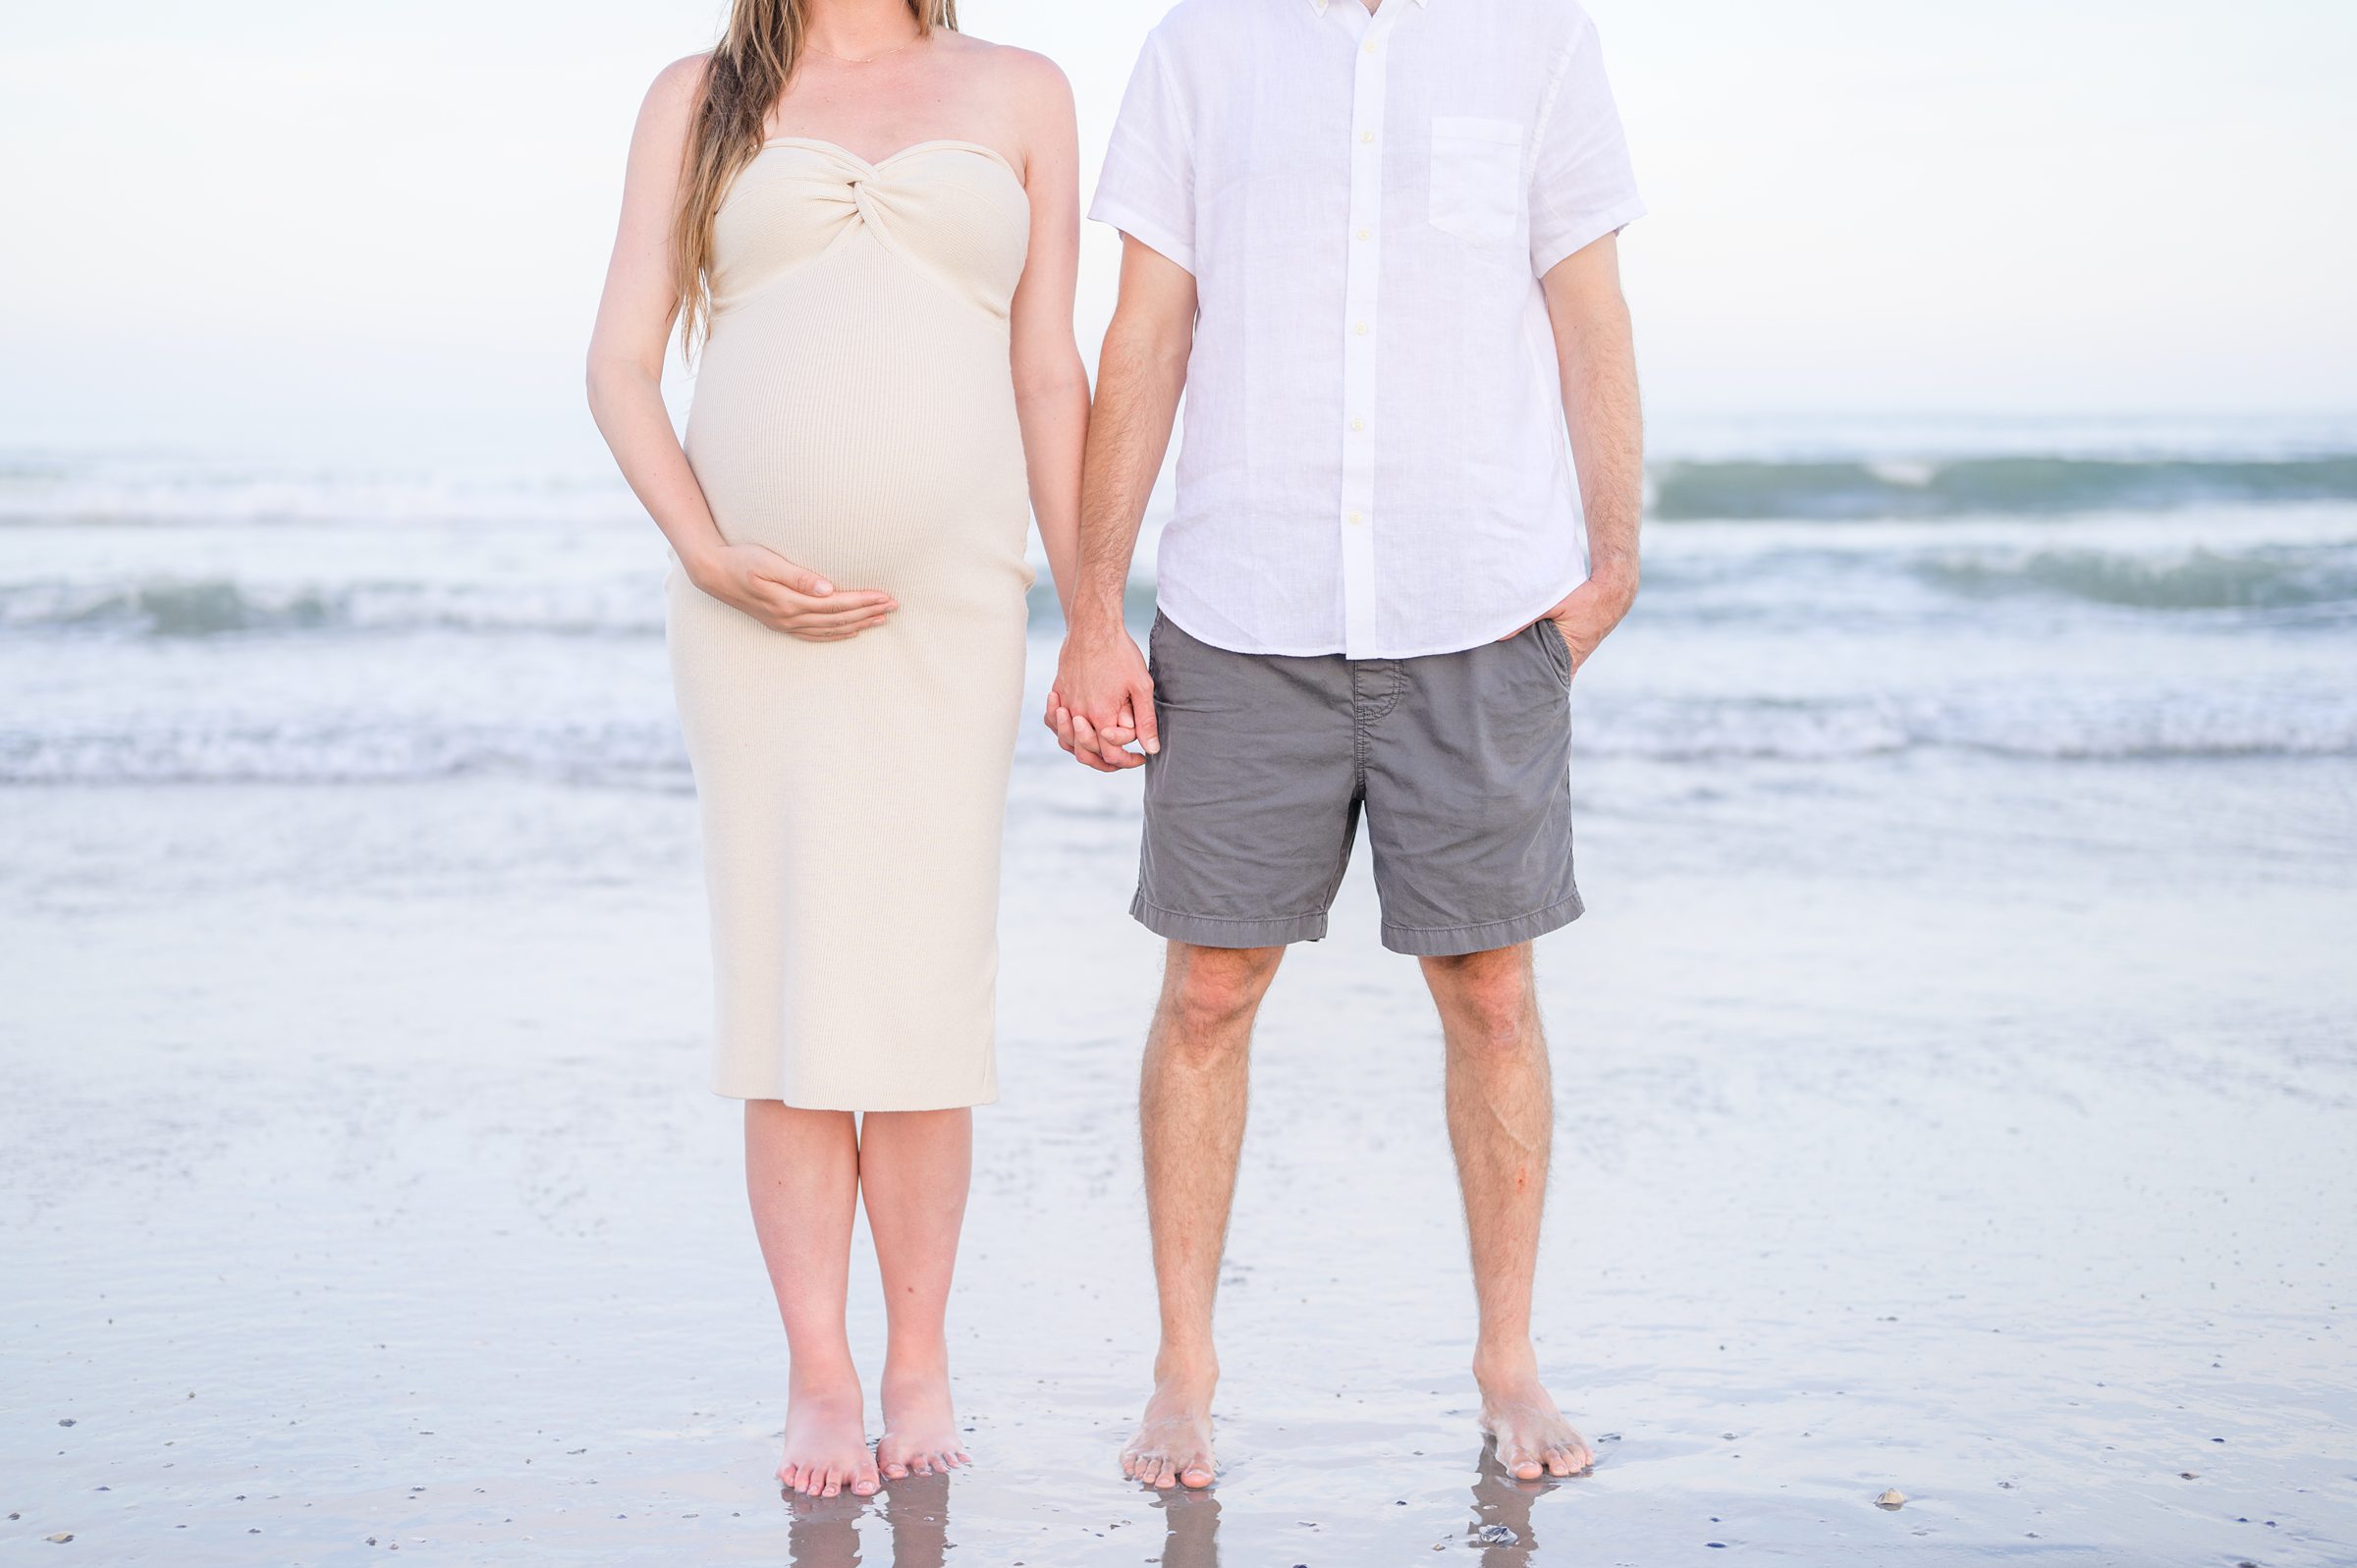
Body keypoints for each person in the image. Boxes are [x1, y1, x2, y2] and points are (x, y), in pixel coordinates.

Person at [1048, 0, 1646, 1490]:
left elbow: (1588, 310)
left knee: (1494, 989)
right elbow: (1148, 328)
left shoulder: (1539, 40)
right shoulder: (1203, 47)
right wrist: (1092, 611)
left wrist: (1616, 558)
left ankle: (1508, 1354)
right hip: (1247, 605)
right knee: (1206, 989)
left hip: (1479, 596)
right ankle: (1184, 1368)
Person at [585, 0, 1088, 1500]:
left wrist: (1095, 613)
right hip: (753, 625)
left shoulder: (1024, 89)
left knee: (927, 991)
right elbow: (620, 365)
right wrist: (708, 552)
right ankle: (820, 1371)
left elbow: (1049, 368)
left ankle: (919, 1357)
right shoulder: (699, 94)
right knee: (794, 989)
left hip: (950, 614)